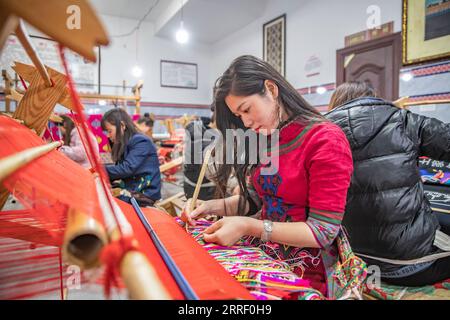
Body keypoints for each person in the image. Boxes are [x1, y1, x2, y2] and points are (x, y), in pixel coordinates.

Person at [182, 55, 356, 298]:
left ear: (271, 89)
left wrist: (247, 226)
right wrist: (209, 206)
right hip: (264, 252)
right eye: (239, 115)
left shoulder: (325, 139)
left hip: (308, 268)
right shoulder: (266, 138)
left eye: (246, 109)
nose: (246, 121)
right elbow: (254, 200)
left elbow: (322, 231)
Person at [326, 81, 450, 287]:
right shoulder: (400, 119)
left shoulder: (321, 133)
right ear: (372, 97)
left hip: (351, 260)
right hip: (413, 265)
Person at [101, 108, 161, 206]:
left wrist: (101, 170)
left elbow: (127, 168)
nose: (108, 135)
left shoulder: (141, 141)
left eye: (109, 131)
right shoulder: (127, 142)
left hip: (144, 194)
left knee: (107, 204)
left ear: (122, 126)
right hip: (132, 189)